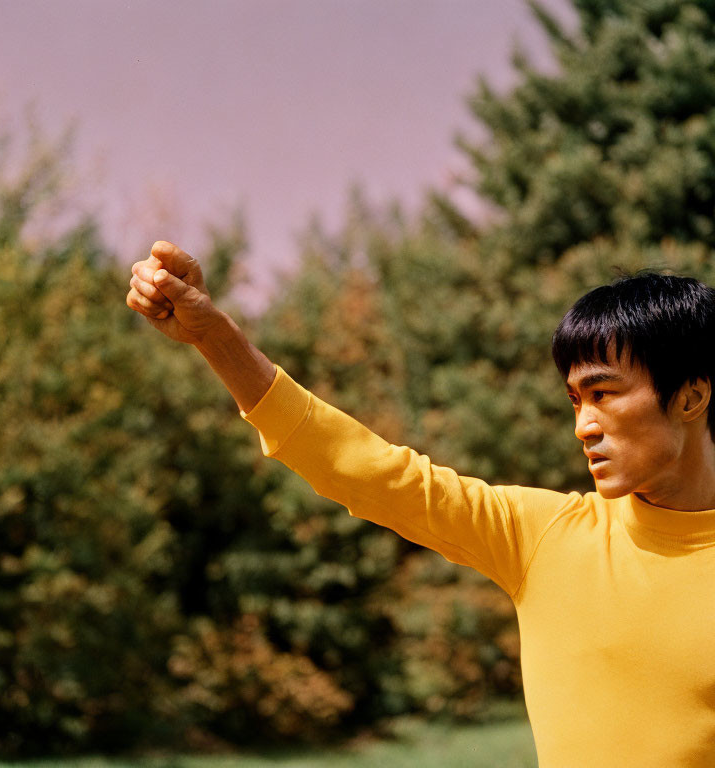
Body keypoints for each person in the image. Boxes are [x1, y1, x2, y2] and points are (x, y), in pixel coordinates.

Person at [126, 240, 715, 768]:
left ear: (690, 396)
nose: (583, 425)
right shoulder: (542, 537)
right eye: (575, 400)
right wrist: (216, 337)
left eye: (604, 393)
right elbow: (368, 472)